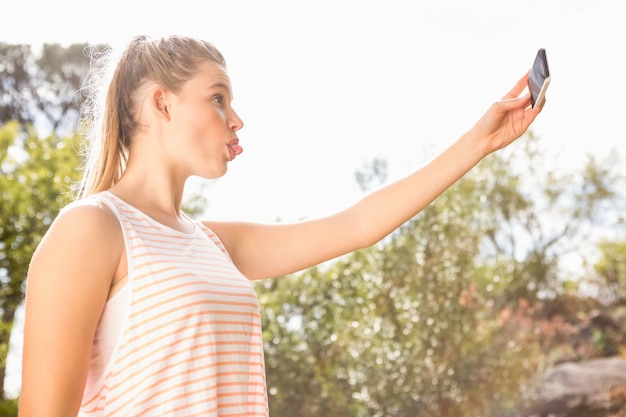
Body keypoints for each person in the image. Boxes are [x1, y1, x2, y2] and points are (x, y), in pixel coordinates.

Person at [18, 34, 544, 416]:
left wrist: (481, 141)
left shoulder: (213, 243)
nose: (237, 118)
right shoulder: (92, 228)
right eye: (218, 97)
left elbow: (359, 224)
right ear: (162, 102)